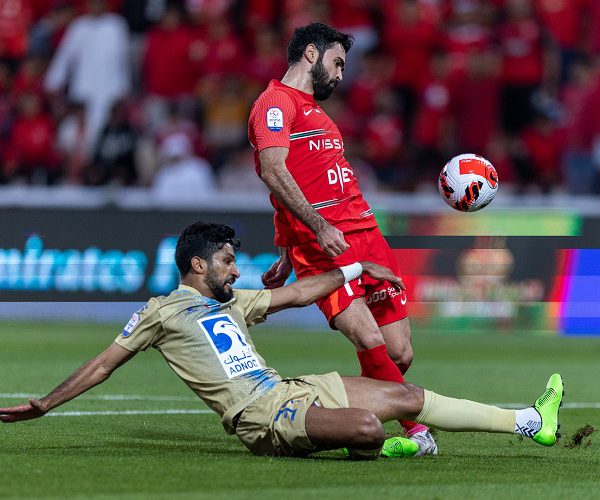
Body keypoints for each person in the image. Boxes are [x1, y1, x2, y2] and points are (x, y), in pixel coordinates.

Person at [0, 221, 563, 460]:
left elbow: (298, 294)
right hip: (258, 416)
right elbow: (103, 364)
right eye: (225, 261)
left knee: (408, 398)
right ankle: (375, 446)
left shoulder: (232, 304)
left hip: (290, 389)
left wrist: (356, 269)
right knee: (369, 428)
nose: (234, 271)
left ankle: (530, 424)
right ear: (197, 264)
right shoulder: (161, 312)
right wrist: (44, 403)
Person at [247, 23, 435, 453]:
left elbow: (299, 180)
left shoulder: (320, 114)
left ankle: (355, 427)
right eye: (337, 63)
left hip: (367, 235)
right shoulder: (274, 103)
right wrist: (308, 234)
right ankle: (415, 430)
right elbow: (274, 172)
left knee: (398, 352)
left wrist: (282, 245)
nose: (341, 75)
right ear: (311, 54)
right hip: (325, 246)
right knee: (368, 340)